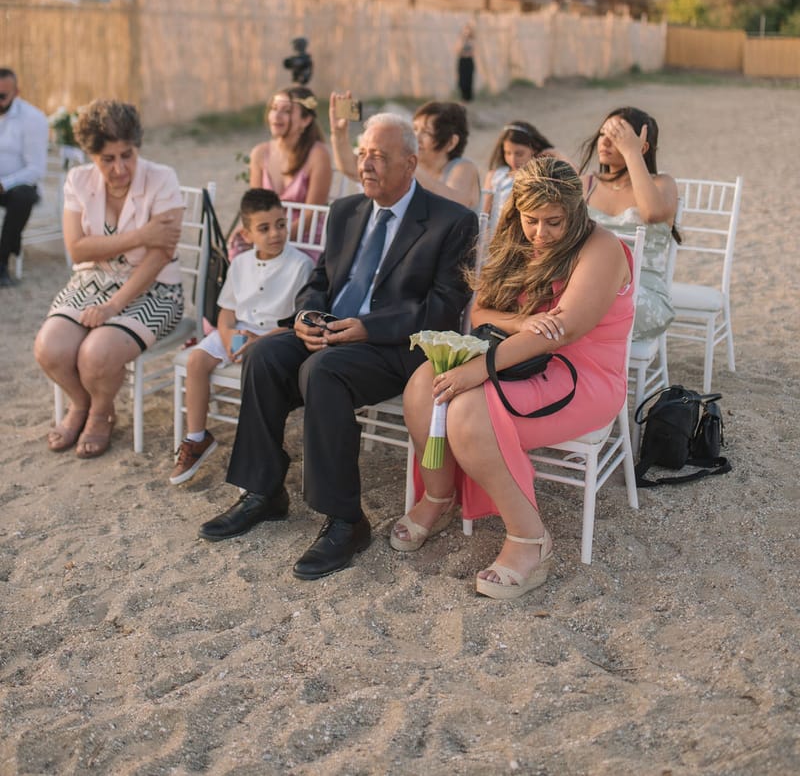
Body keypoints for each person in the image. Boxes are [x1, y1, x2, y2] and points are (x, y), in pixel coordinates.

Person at [198, 113, 478, 581]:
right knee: (265, 355)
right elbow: (321, 280)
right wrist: (307, 315)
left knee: (322, 371)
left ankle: (346, 520)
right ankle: (265, 492)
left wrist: (367, 327)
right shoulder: (346, 212)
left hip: (395, 346)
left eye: (379, 157)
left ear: (410, 163)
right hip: (330, 333)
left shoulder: (451, 222)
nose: (366, 164)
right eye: (363, 154)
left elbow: (443, 309)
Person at [392, 157, 634, 601]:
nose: (540, 233)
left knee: (466, 408)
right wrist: (523, 323)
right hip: (517, 355)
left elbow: (564, 329)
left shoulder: (602, 247)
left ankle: (529, 538)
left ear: (576, 212)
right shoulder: (515, 241)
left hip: (582, 374)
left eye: (553, 222)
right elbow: (481, 312)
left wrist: (479, 369)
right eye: (531, 221)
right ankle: (440, 495)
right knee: (423, 385)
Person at [34, 100, 185, 458]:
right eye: (107, 159)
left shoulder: (163, 178)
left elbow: (160, 254)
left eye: (127, 155)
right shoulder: (78, 180)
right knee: (49, 348)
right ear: (91, 155)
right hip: (91, 282)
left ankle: (100, 414)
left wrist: (113, 306)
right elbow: (77, 249)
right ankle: (82, 403)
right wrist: (141, 235)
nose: (119, 168)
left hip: (156, 288)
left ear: (137, 147)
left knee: (95, 355)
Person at [171, 188, 314, 485]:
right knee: (197, 361)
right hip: (238, 330)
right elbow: (226, 311)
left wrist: (257, 342)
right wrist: (227, 337)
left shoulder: (301, 265)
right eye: (264, 228)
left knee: (255, 364)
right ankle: (197, 438)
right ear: (247, 234)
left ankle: (258, 446)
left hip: (276, 336)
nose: (275, 233)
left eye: (281, 224)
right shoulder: (240, 264)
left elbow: (297, 322)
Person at [579, 106, 679, 341]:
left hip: (641, 289)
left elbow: (652, 213)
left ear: (641, 147)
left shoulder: (663, 184)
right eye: (603, 134)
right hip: (588, 282)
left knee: (583, 303)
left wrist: (632, 153)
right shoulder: (586, 184)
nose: (604, 142)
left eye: (616, 137)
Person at [328, 96, 482, 213]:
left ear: (451, 142)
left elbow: (455, 204)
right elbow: (351, 169)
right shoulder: (412, 166)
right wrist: (339, 134)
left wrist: (410, 166)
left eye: (426, 132)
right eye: (414, 129)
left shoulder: (464, 168)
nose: (416, 136)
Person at [229, 86, 332, 257]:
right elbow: (256, 207)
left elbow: (311, 215)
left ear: (305, 120)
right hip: (266, 235)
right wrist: (258, 234)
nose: (276, 116)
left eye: (286, 111)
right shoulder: (260, 153)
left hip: (304, 238)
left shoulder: (318, 154)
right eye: (274, 109)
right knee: (238, 247)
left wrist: (276, 238)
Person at [0, 68, 48, 287]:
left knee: (22, 198)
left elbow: (36, 169)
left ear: (16, 92)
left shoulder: (33, 118)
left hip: (17, 187)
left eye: (2, 96)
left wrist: (4, 184)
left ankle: (1, 265)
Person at [482, 120, 566, 233]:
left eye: (519, 154)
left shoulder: (539, 176)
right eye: (507, 153)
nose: (512, 159)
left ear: (534, 149)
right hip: (494, 235)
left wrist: (558, 154)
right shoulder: (494, 175)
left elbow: (578, 178)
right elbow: (484, 213)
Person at [456, 24, 476, 102]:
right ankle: (463, 97)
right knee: (462, 80)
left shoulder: (472, 40)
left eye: (468, 31)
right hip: (462, 61)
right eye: (465, 30)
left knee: (469, 79)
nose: (467, 32)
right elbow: (457, 50)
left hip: (469, 62)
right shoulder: (460, 40)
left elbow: (473, 52)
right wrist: (463, 41)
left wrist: (464, 53)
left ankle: (468, 98)